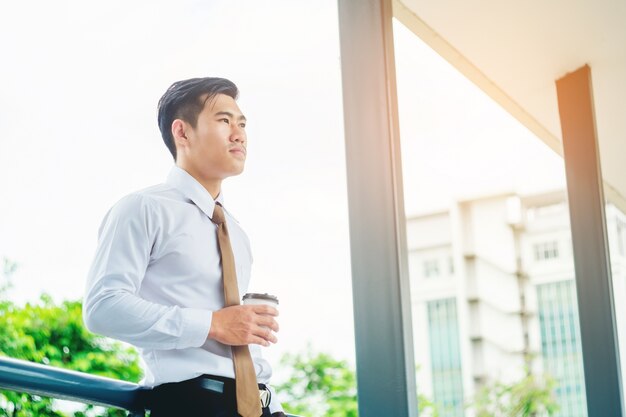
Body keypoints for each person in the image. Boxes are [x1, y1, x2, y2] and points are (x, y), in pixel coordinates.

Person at [83, 77, 286, 417]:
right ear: (182, 132)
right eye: (224, 121)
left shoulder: (236, 231)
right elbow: (103, 307)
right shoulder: (142, 208)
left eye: (242, 123)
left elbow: (239, 341)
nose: (239, 134)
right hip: (194, 404)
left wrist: (273, 407)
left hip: (259, 405)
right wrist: (212, 324)